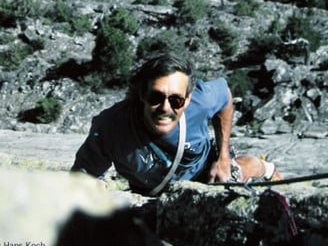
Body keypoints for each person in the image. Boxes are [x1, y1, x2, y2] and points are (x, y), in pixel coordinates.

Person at [71, 53, 279, 195]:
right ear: (142, 94)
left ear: (187, 100)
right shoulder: (112, 126)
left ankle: (268, 170)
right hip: (150, 191)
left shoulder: (200, 101)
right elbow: (83, 176)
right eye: (155, 97)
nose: (165, 108)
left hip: (206, 173)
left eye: (176, 100)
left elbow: (224, 94)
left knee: (240, 171)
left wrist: (223, 157)